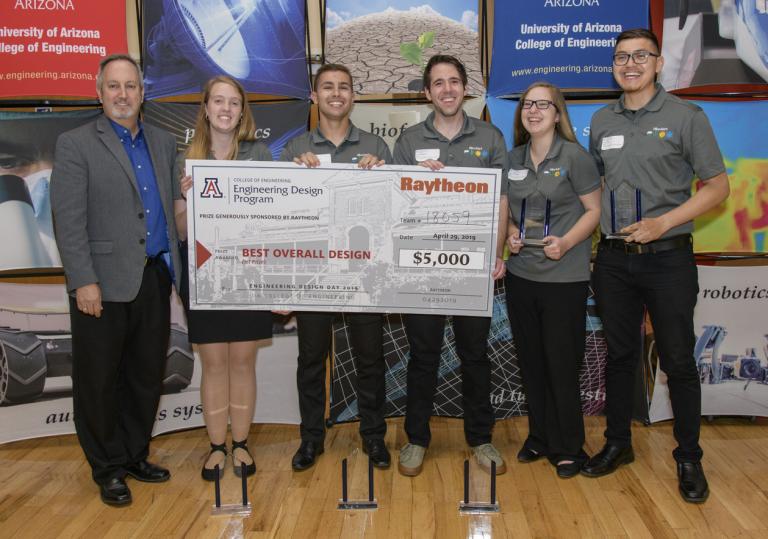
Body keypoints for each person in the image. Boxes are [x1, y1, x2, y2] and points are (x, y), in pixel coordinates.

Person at [582, 29, 729, 503]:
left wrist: (663, 222)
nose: (630, 64)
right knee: (620, 357)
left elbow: (717, 187)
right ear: (613, 65)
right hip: (613, 261)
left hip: (668, 260)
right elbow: (593, 191)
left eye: (640, 56)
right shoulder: (601, 120)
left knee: (679, 361)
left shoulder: (687, 116)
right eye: (621, 57)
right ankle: (618, 444)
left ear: (659, 63)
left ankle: (689, 457)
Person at [50, 54, 181, 506]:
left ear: (143, 93)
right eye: (114, 86)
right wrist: (82, 279)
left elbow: (171, 207)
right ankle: (106, 468)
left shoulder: (163, 143)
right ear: (99, 91)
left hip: (153, 277)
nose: (123, 94)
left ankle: (133, 454)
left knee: (146, 376)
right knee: (99, 379)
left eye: (131, 86)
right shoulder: (75, 143)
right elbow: (67, 220)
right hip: (100, 284)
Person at [393, 54, 509, 477]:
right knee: (423, 355)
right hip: (424, 268)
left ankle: (481, 438)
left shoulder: (490, 136)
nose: (447, 89)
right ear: (427, 92)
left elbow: (500, 201)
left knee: (475, 355)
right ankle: (416, 440)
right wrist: (415, 183)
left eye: (454, 82)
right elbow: (395, 204)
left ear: (465, 88)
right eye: (438, 83)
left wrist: (497, 254)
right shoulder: (407, 142)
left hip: (473, 268)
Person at [279, 63, 392, 471]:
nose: (336, 93)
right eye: (327, 87)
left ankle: (374, 437)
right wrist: (295, 175)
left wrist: (383, 175)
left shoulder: (377, 146)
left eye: (344, 87)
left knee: (370, 358)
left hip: (363, 272)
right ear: (314, 96)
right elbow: (283, 217)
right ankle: (311, 439)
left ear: (353, 96)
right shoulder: (295, 150)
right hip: (314, 273)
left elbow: (393, 210)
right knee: (311, 360)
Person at [174, 76, 273, 481]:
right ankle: (217, 447)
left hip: (249, 274)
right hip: (205, 275)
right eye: (219, 101)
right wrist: (189, 199)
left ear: (242, 110)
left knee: (243, 361)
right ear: (206, 107)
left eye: (234, 102)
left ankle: (243, 444)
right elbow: (180, 230)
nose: (226, 109)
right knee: (214, 364)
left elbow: (273, 220)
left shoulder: (260, 154)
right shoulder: (185, 160)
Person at [504, 82, 601, 479]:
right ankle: (539, 436)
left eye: (543, 105)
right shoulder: (512, 159)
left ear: (558, 114)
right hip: (521, 275)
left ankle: (569, 446)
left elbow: (594, 212)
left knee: (561, 364)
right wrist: (510, 232)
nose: (534, 111)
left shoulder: (575, 157)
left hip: (564, 278)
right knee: (531, 363)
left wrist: (566, 242)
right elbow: (507, 211)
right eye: (528, 104)